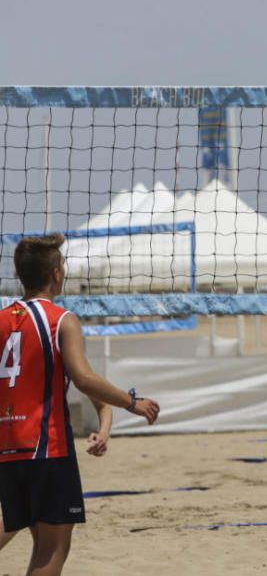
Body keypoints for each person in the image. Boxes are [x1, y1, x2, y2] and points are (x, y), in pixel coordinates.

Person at [0, 233, 160, 575]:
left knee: (31, 534)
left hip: (8, 447)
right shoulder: (61, 319)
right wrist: (134, 403)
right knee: (52, 547)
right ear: (57, 273)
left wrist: (104, 428)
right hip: (47, 448)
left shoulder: (1, 321)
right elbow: (85, 379)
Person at [0, 398, 112, 550]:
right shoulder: (58, 374)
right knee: (53, 547)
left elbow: (102, 401)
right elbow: (93, 390)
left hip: (11, 448)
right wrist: (131, 403)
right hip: (45, 451)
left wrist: (103, 433)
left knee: (26, 526)